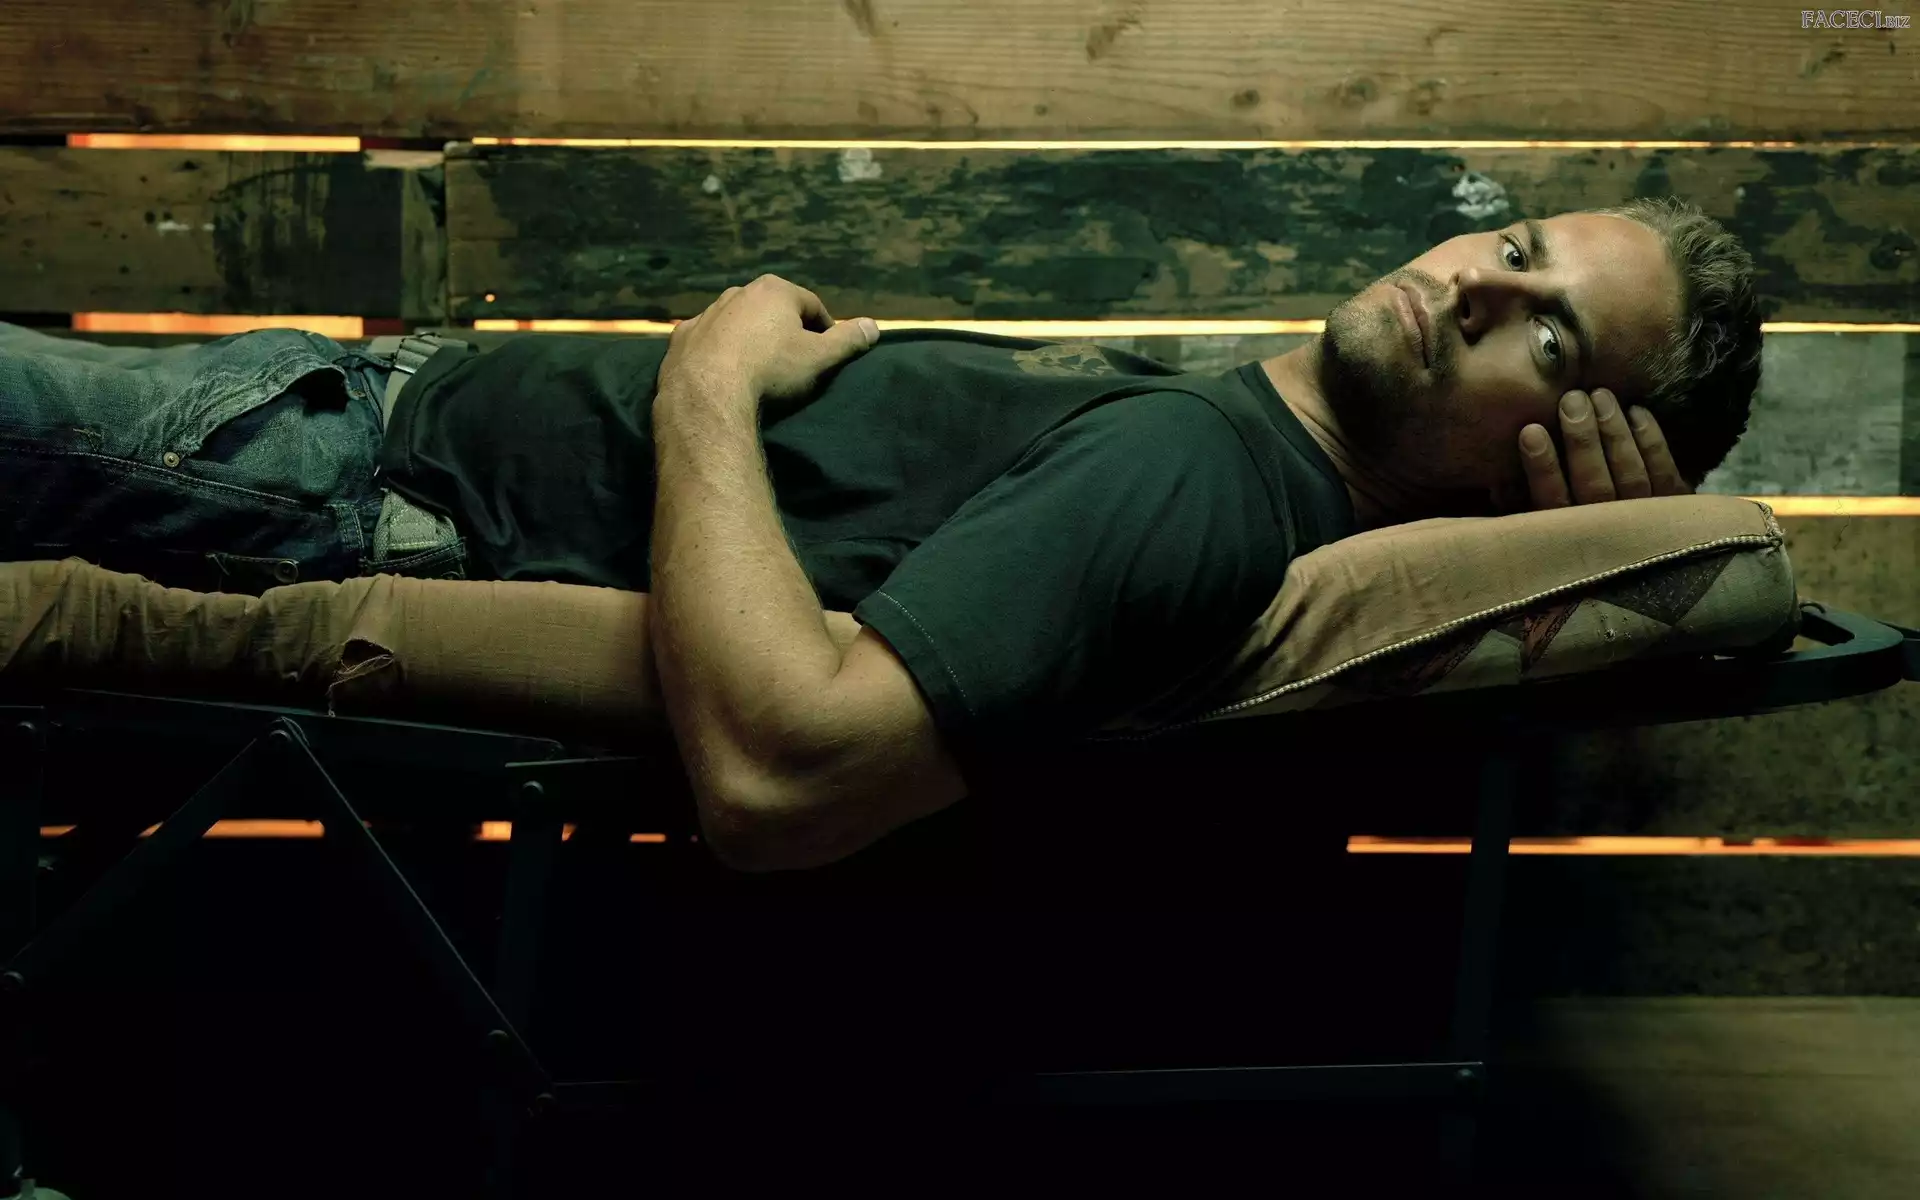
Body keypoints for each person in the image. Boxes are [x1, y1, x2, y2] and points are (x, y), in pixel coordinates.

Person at [0, 196, 1763, 869]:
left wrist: (707, 380)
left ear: (1562, 453)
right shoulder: (1237, 455)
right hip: (335, 428)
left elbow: (790, 775)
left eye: (1549, 339)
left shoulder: (1199, 485)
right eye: (1516, 245)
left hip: (326, 470)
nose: (1475, 286)